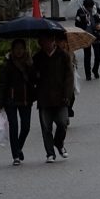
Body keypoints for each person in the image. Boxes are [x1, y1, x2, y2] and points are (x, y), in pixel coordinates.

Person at [36, 26, 76, 161]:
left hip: (61, 97)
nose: (45, 44)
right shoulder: (37, 57)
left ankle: (59, 143)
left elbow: (69, 77)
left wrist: (67, 95)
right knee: (46, 127)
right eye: (42, 42)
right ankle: (50, 153)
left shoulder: (63, 55)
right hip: (44, 97)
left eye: (47, 41)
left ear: (53, 41)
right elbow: (32, 78)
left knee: (62, 123)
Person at [0, 36, 39, 164]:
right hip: (11, 99)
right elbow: (2, 84)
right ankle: (15, 155)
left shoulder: (29, 62)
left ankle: (18, 148)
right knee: (14, 126)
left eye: (22, 48)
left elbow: (35, 80)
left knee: (26, 127)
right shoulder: (7, 64)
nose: (19, 51)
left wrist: (31, 67)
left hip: (26, 98)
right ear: (12, 50)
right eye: (17, 49)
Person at [72, 0, 100, 80]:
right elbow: (77, 23)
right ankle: (88, 74)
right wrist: (83, 27)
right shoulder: (80, 11)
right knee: (87, 55)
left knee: (98, 55)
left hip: (97, 35)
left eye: (91, 8)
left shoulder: (96, 10)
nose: (90, 9)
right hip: (86, 36)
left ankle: (95, 69)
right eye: (88, 8)